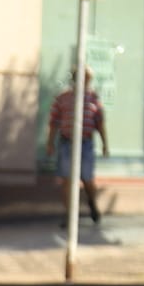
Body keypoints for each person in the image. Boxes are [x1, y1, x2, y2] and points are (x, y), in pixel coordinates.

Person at [45, 67, 109, 224]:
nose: (85, 81)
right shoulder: (63, 98)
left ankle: (92, 204)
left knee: (87, 178)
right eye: (83, 77)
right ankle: (69, 216)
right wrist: (50, 142)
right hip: (67, 143)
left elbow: (100, 123)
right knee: (66, 180)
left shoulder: (93, 98)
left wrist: (105, 144)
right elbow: (54, 122)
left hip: (85, 143)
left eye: (87, 78)